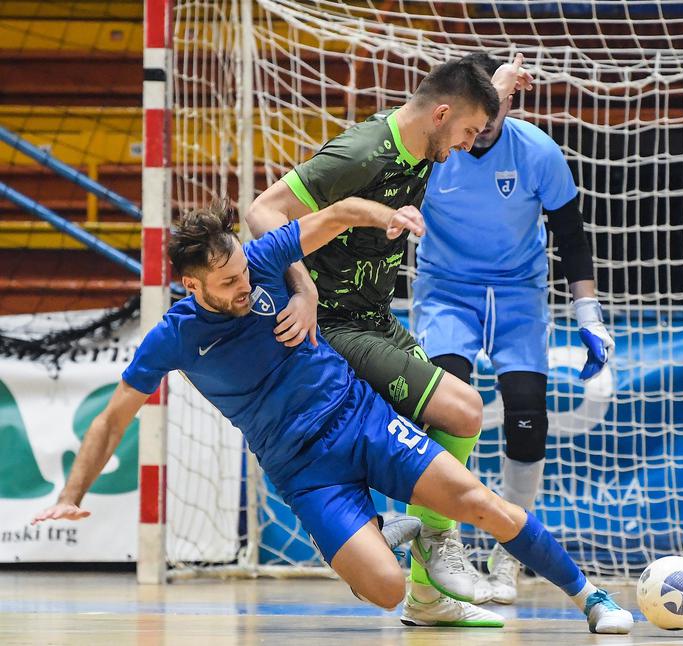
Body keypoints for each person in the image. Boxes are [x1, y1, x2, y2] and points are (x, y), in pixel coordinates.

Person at [31, 202, 634, 635]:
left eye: (244, 271)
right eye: (229, 282)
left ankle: (590, 597)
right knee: (388, 591)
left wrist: (386, 217)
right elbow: (111, 421)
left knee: (484, 505)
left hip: (361, 420)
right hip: (304, 473)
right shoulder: (172, 340)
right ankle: (386, 532)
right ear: (192, 286)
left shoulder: (263, 264)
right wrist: (71, 493)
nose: (245, 284)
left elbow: (336, 213)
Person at [246, 54, 534, 612]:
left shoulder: (428, 135)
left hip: (376, 317)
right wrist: (302, 291)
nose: (467, 145)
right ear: (442, 114)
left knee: (437, 432)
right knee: (464, 409)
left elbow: (466, 113)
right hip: (331, 324)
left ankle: (426, 595)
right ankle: (434, 543)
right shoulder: (361, 152)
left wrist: (495, 91)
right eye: (469, 132)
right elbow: (264, 212)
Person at [412, 52, 616, 604]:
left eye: (489, 123)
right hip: (446, 288)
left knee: (527, 412)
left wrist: (589, 315)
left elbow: (570, 234)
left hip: (517, 291)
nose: (477, 136)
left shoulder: (536, 151)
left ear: (505, 106)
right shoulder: (433, 145)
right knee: (445, 406)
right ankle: (440, 540)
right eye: (471, 125)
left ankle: (510, 553)